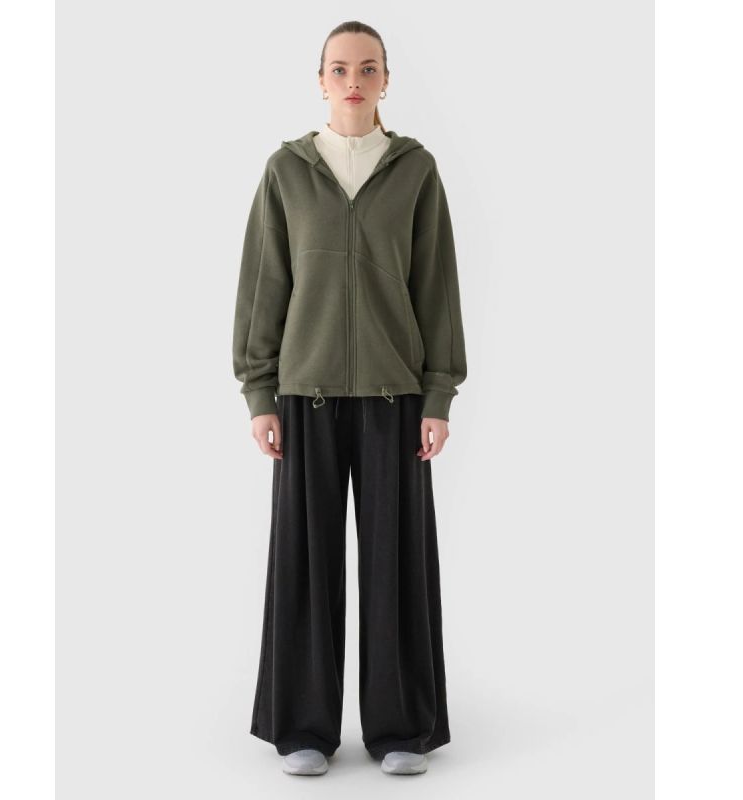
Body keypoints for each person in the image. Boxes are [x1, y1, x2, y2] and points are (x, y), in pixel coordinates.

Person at [232, 20, 467, 777]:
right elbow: (265, 285)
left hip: (397, 398)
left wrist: (438, 395)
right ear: (321, 80)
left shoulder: (415, 170)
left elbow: (436, 288)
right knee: (305, 565)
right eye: (339, 68)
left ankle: (400, 729)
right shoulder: (287, 171)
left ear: (386, 79)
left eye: (368, 68)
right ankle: (304, 728)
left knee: (397, 566)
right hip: (306, 396)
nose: (354, 81)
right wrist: (259, 392)